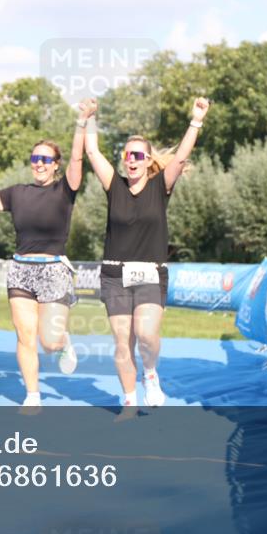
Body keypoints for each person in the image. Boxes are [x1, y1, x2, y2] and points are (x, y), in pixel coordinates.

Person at [84, 96, 211, 407]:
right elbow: (92, 151)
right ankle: (129, 401)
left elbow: (180, 158)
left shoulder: (160, 186)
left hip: (151, 274)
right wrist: (88, 117)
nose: (132, 160)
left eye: (138, 155)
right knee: (122, 342)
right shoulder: (114, 185)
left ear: (148, 159)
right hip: (114, 274)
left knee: (146, 334)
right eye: (127, 155)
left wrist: (196, 120)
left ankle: (150, 373)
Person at [0, 99, 92, 407]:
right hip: (21, 270)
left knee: (48, 342)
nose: (39, 163)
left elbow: (77, 158)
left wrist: (82, 121)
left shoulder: (65, 190)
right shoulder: (18, 193)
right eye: (35, 158)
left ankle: (63, 341)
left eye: (45, 159)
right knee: (25, 337)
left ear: (55, 164)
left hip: (54, 270)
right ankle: (33, 395)